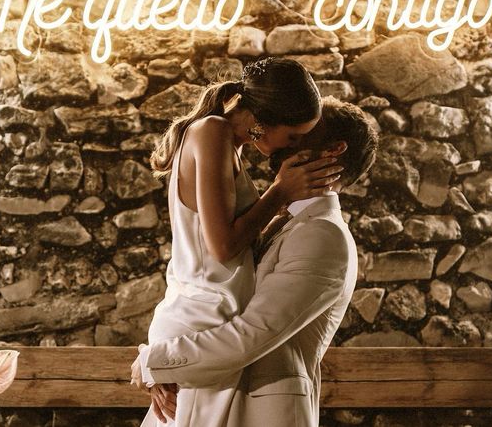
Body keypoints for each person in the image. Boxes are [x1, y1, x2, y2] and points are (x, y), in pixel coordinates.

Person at [133, 96, 379, 427]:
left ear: (333, 150)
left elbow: (254, 332)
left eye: (304, 133)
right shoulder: (283, 222)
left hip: (260, 413)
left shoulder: (323, 235)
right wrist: (167, 370)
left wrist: (156, 361)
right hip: (208, 397)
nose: (288, 133)